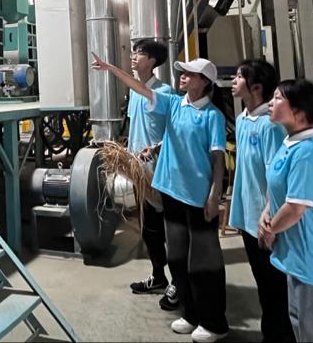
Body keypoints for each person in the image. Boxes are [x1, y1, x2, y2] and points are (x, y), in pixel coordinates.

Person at [92, 54, 229, 343]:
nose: (182, 76)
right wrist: (110, 68)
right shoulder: (175, 104)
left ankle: (214, 323)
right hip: (171, 191)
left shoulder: (212, 116)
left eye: (189, 74)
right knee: (177, 258)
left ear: (204, 82)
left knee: (203, 263)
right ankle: (190, 314)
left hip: (197, 197)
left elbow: (218, 160)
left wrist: (214, 196)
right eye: (182, 72)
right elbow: (140, 88)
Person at [259, 79, 313, 342]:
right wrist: (266, 213)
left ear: (299, 111)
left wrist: (271, 230)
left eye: (277, 98)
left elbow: (296, 208)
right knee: (303, 328)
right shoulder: (290, 143)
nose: (270, 103)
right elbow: (279, 188)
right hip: (296, 255)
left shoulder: (306, 153)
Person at [230, 60, 294, 343]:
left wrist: (270, 219)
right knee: (263, 284)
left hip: (266, 220)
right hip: (248, 217)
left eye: (239, 77)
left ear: (256, 87)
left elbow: (276, 177)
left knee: (275, 286)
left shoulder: (271, 125)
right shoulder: (243, 120)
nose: (233, 81)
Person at [125, 40, 178, 311]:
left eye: (141, 53)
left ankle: (178, 282)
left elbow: (174, 131)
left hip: (160, 170)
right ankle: (158, 276)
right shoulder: (134, 91)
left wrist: (156, 149)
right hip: (139, 170)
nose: (135, 56)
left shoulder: (164, 92)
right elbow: (134, 127)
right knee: (149, 228)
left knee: (170, 228)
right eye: (134, 52)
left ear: (154, 61)